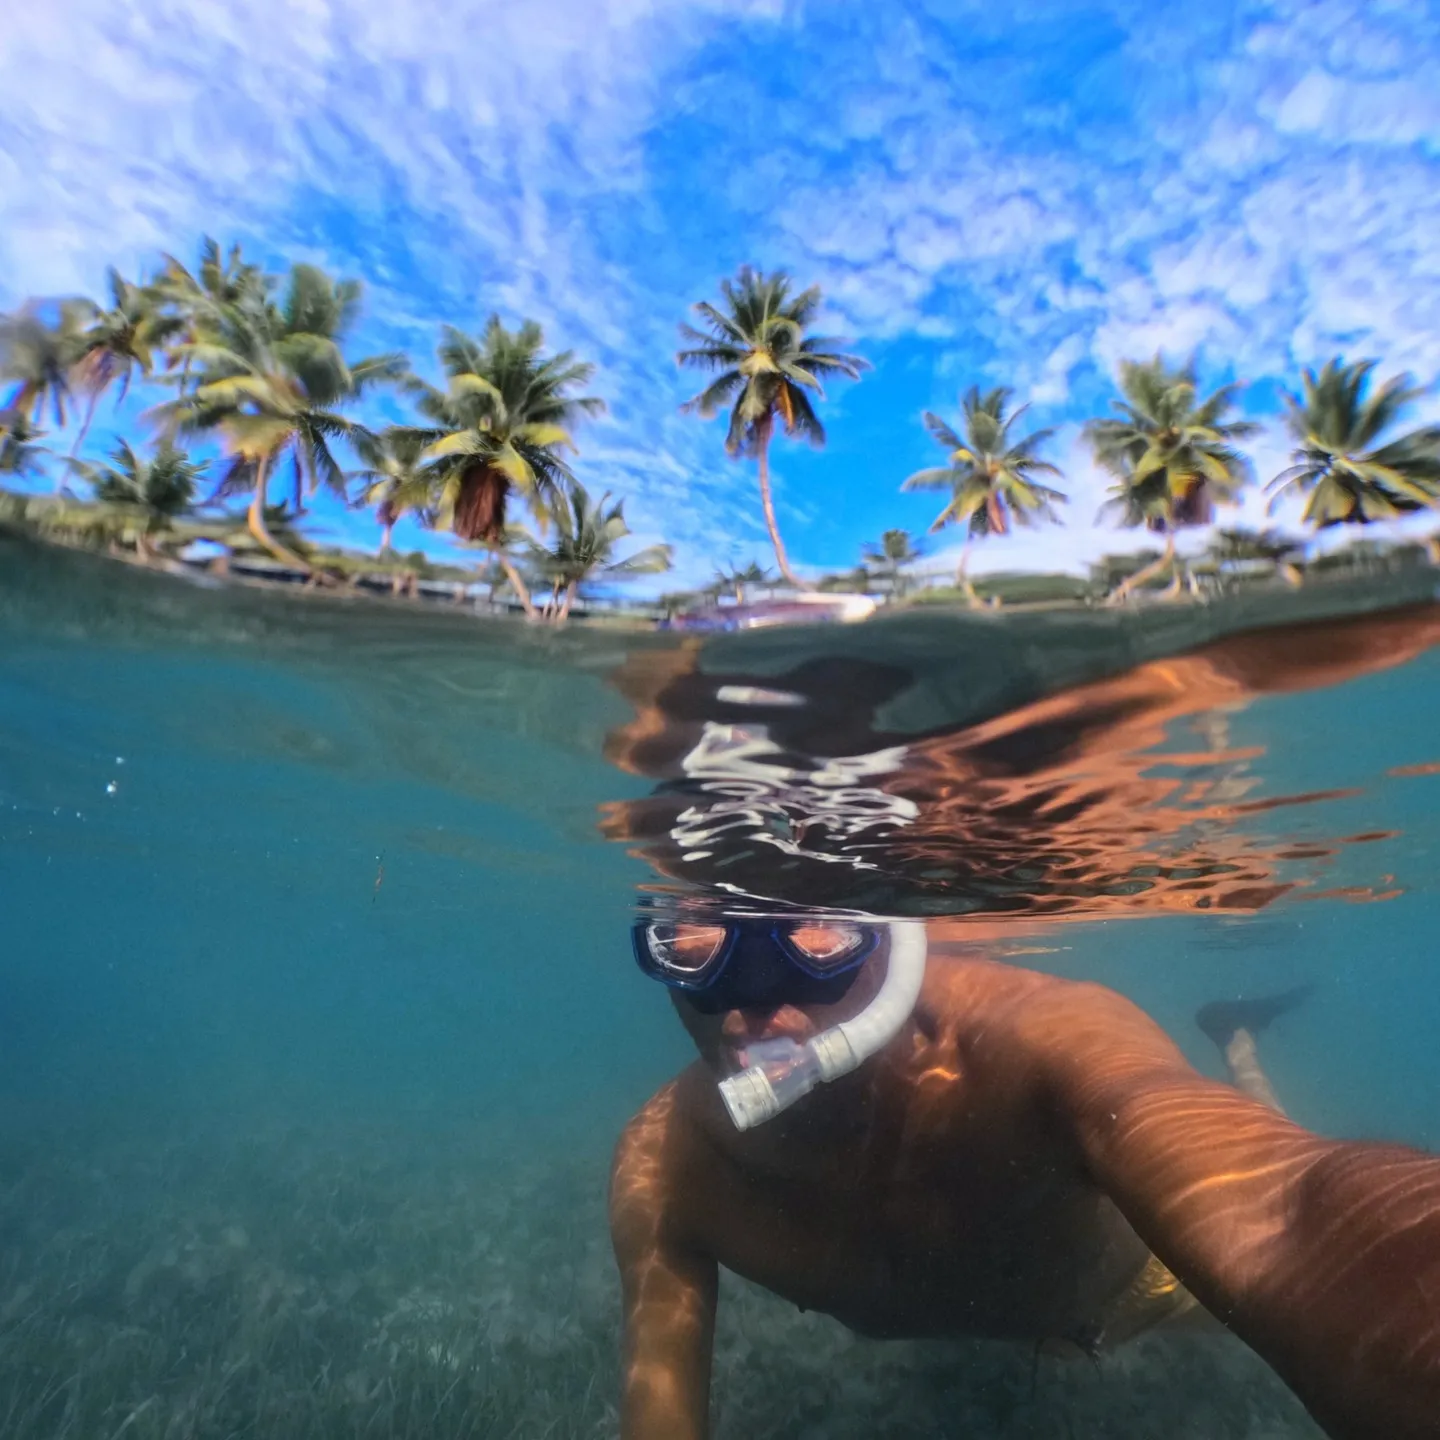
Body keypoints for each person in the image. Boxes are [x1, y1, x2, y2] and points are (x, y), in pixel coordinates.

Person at [610, 912, 1440, 1440]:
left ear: (889, 934)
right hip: (1006, 1306)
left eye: (817, 937)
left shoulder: (1032, 1036)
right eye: (692, 939)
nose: (753, 1007)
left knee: (1272, 1127)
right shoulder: (667, 1167)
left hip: (1141, 1290)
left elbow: (1290, 1211)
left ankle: (1236, 1040)